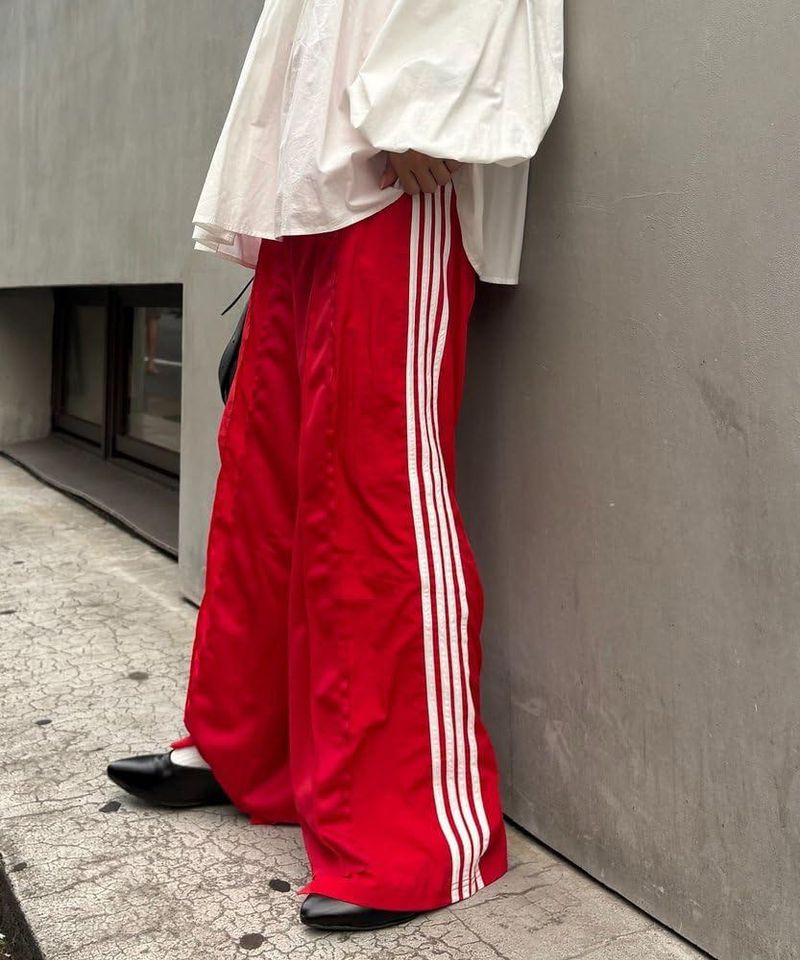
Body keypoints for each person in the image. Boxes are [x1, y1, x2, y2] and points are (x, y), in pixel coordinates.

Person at [107, 0, 564, 933]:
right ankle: (245, 752)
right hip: (307, 181)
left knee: (376, 479)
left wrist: (424, 102)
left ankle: (418, 833)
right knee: (264, 473)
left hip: (400, 171)